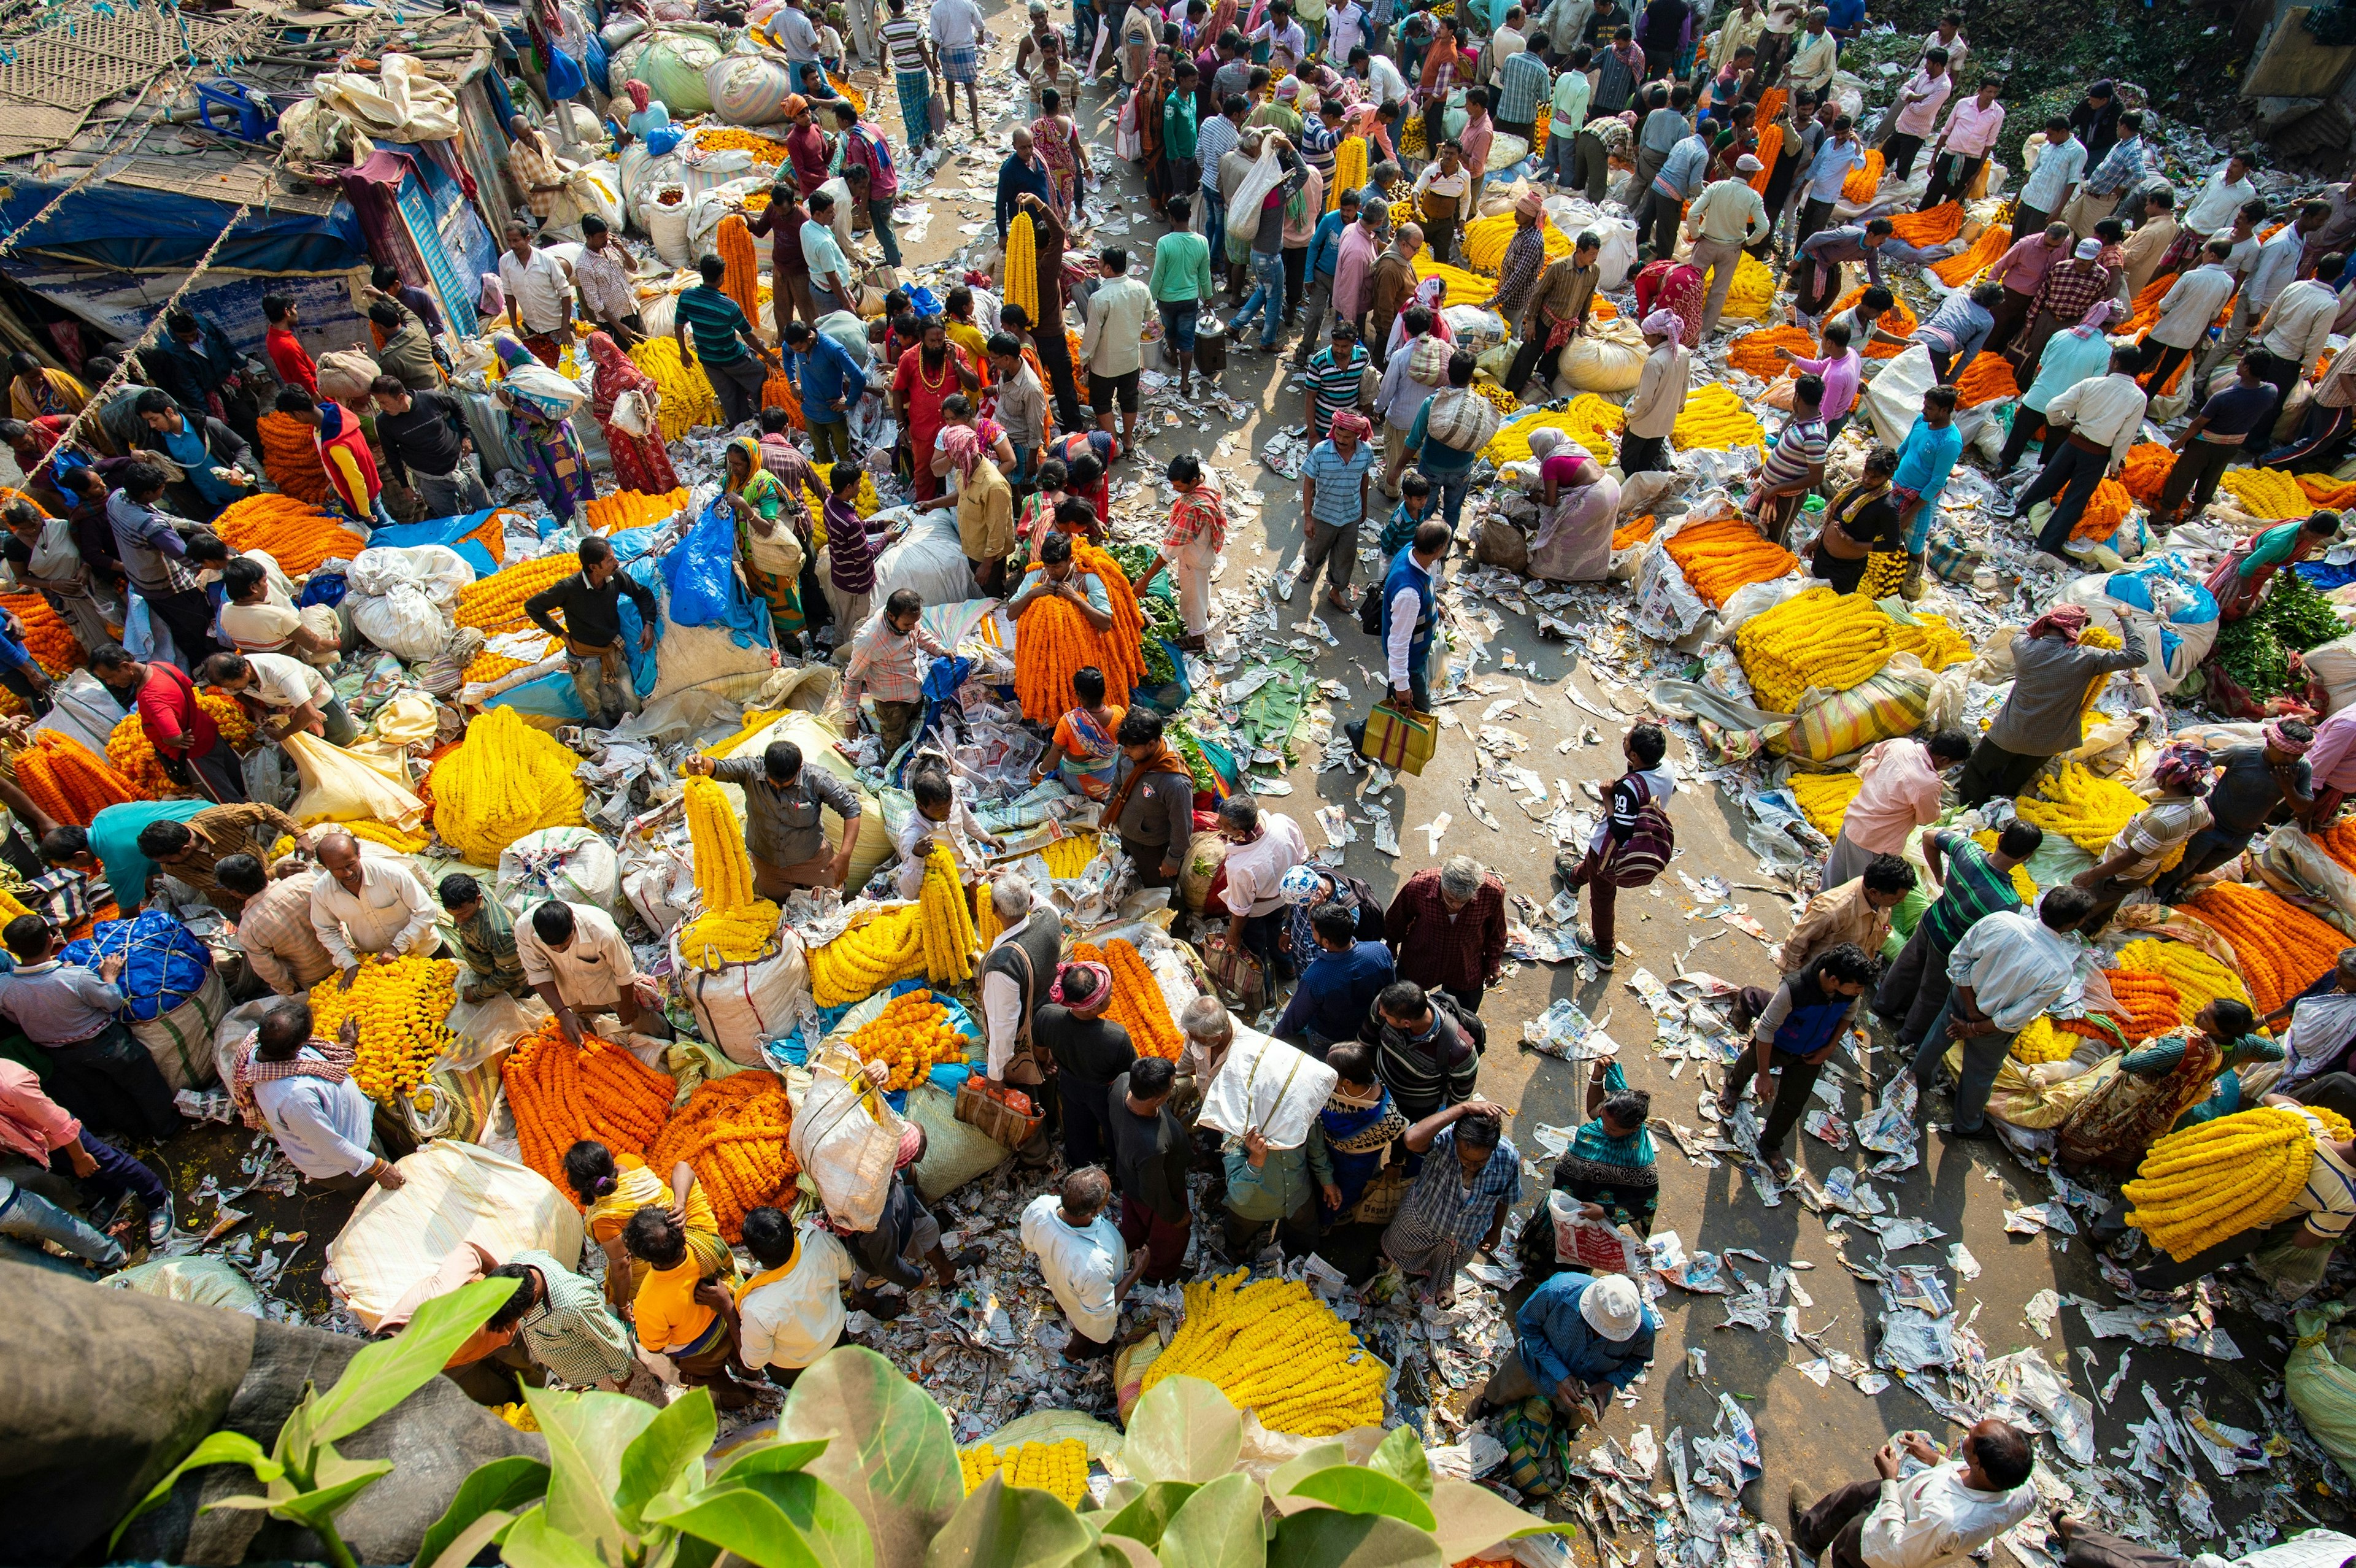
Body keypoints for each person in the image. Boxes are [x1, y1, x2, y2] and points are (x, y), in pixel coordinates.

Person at [1915, 885, 2096, 1139]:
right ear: (2073, 924)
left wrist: (1969, 1009)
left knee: (1938, 1037)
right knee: (1981, 1072)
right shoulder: (2060, 970)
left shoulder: (2000, 920)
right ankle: (1967, 1124)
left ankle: (1917, 1081)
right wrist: (1975, 1028)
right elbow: (2016, 1016)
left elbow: (1959, 961)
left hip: (1963, 997)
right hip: (1993, 1028)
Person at [0, 917, 175, 1144]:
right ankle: (167, 1129)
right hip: (106, 1044)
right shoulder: (76, 977)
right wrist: (109, 977)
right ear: (51, 940)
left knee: (107, 1096)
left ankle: (138, 1135)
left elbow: (13, 1017)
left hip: (62, 1055)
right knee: (145, 1084)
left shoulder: (4, 986)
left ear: (11, 950)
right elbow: (112, 1002)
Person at [1954, 607, 2147, 806]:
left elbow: (2022, 632)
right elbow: (2138, 655)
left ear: (2047, 623)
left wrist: (2043, 624)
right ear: (2075, 629)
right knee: (2013, 778)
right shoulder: (2087, 657)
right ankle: (1996, 807)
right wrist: (2125, 617)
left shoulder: (2024, 646)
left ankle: (1970, 808)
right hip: (2049, 741)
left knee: (1977, 769)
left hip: (2011, 732)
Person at [1720, 942, 1877, 1182]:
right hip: (1778, 1043)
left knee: (1793, 1103)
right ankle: (1732, 1087)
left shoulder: (1849, 994)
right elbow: (1765, 1031)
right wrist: (1764, 1075)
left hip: (1810, 1055)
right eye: (1857, 987)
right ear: (1834, 980)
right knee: (1750, 1063)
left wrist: (1830, 1046)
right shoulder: (1794, 989)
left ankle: (1770, 1144)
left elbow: (1849, 1014)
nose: (1860, 992)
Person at [2057, 999, 2269, 1170]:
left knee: (2107, 1122)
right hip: (2168, 1103)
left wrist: (2150, 1046)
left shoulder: (2185, 1047)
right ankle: (2106, 1165)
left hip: (2143, 1094)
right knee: (2133, 1133)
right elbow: (2275, 1053)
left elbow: (2130, 1064)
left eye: (2206, 1016)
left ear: (2222, 1031)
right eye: (2204, 1007)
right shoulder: (2238, 1045)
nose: (2198, 1012)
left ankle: (2072, 1161)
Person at [1787, 1423, 2038, 1568]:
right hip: (1909, 1495)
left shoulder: (1945, 1521)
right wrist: (1934, 1459)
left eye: (1973, 1438)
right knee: (1853, 1495)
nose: (1968, 1432)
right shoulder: (2024, 1490)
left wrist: (1889, 1480)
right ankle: (1811, 1535)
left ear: (1979, 1465)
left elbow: (1897, 1549)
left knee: (1849, 1545)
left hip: (1891, 1535)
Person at [236, 1002, 406, 1194]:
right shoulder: (295, 1099)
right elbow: (331, 1147)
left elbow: (311, 1060)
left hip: (354, 1132)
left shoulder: (264, 1046)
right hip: (345, 1164)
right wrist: (379, 1169)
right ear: (299, 1046)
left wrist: (347, 1044)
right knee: (383, 1194)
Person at [2152, 721, 2316, 902]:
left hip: (2242, 835)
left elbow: (2303, 806)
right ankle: (2156, 895)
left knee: (2201, 869)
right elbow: (2200, 766)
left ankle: (2171, 890)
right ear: (2270, 743)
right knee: (2182, 865)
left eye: (2297, 755)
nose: (2291, 760)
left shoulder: (2301, 768)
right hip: (2211, 824)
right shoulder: (2242, 753)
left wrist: (2288, 788)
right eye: (2286, 753)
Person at [1558, 723, 1676, 970]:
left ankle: (1603, 950)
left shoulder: (1628, 789)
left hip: (1612, 852)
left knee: (1602, 896)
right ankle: (1573, 879)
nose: (1623, 739)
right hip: (1640, 837)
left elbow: (1620, 830)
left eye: (1627, 741)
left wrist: (1607, 796)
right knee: (1591, 865)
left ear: (1634, 756)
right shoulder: (1666, 769)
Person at [1469, 1270, 1653, 1428]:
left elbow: (1638, 1359)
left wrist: (1606, 1385)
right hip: (1534, 1365)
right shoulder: (1557, 1291)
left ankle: (1562, 1432)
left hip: (1585, 1391)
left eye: (1612, 1333)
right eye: (1598, 1326)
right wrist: (1560, 1373)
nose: (1602, 1335)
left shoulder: (1644, 1330)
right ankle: (1488, 1403)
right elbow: (1527, 1325)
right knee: (1503, 1389)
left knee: (1566, 1423)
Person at [1381, 1097, 1518, 1304]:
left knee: (1445, 1266)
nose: (1472, 1166)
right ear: (1456, 1141)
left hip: (1463, 1237)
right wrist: (1464, 1107)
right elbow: (1411, 1139)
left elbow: (1505, 1197)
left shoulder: (1508, 1158)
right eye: (1466, 1159)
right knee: (1397, 1258)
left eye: (1481, 1161)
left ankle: (1439, 1282)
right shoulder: (1444, 1141)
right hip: (1420, 1224)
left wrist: (1496, 1230)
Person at [622, 1205, 757, 1408]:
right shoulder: (705, 1242)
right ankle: (753, 1375)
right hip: (731, 1325)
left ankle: (737, 1395)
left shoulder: (648, 1301)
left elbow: (655, 1345)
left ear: (644, 1257)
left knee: (704, 1375)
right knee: (743, 1357)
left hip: (702, 1353)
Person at [2069, 745, 2215, 932]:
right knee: (2110, 903)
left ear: (2171, 778)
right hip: (2145, 870)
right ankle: (2093, 927)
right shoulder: (2198, 808)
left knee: (2088, 905)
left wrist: (2091, 874)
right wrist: (2187, 827)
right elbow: (2210, 824)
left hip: (2119, 873)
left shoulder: (2159, 820)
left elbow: (2129, 858)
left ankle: (2075, 930)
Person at [525, 536, 658, 730]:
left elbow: (642, 594)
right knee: (594, 707)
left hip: (612, 651)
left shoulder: (616, 578)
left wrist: (648, 624)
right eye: (610, 560)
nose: (616, 562)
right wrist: (560, 634)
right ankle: (607, 740)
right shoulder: (569, 588)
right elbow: (533, 607)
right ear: (593, 567)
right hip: (584, 658)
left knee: (630, 699)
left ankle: (639, 733)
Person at [102, 466, 225, 666]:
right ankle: (213, 662)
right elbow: (186, 558)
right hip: (170, 587)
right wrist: (222, 559)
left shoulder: (117, 498)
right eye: (160, 488)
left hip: (143, 583)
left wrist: (193, 526)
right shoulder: (150, 525)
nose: (163, 491)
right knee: (200, 625)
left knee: (179, 626)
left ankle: (199, 661)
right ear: (147, 493)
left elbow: (159, 515)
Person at [90, 641, 244, 801]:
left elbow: (174, 736)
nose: (110, 683)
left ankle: (255, 822)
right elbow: (188, 685)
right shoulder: (161, 667)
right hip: (208, 733)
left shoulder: (151, 697)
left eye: (110, 677)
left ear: (125, 666)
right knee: (242, 782)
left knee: (227, 800)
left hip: (196, 753)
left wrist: (170, 741)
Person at [1020, 1166, 1143, 1359]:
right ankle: (1076, 1349)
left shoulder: (1040, 1208)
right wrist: (1137, 1271)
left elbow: (1030, 1244)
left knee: (1066, 1295)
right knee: (1087, 1325)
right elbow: (1102, 1310)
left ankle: (1063, 1306)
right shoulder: (1093, 1262)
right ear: (1095, 1210)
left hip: (1058, 1280)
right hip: (1086, 1308)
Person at [1822, 731, 1969, 886]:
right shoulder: (1928, 783)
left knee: (1832, 879)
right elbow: (1927, 818)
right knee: (1861, 891)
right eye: (1952, 764)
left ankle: (1817, 907)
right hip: (1875, 841)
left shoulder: (1900, 744)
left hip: (1854, 819)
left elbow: (1869, 758)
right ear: (1944, 760)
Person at [728, 1205, 854, 1385]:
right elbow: (847, 1273)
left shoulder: (757, 1307)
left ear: (752, 1256)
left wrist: (726, 1306)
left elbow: (754, 1362)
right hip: (836, 1339)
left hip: (795, 1370)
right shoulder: (820, 1242)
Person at [1222, 1064, 1338, 1258]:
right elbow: (1239, 1195)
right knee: (1237, 1242)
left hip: (1298, 1198)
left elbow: (1316, 1149)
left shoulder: (1303, 1115)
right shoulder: (1237, 1129)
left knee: (1307, 1242)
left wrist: (1327, 1180)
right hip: (1253, 1207)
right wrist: (1255, 1162)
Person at [477, 1253, 634, 1391]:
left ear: (534, 1295)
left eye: (519, 1317)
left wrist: (622, 1381)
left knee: (638, 1405)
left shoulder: (574, 1306)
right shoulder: (522, 1261)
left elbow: (610, 1341)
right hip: (582, 1367)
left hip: (605, 1369)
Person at [518, 900, 658, 1047]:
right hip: (570, 989)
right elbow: (537, 973)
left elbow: (625, 971)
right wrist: (563, 1013)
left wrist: (627, 1005)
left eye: (565, 944)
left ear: (573, 923)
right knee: (583, 1028)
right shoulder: (524, 930)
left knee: (645, 1024)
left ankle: (667, 1035)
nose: (560, 950)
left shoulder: (602, 931)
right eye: (553, 948)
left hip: (608, 982)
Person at [309, 831, 440, 985]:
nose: (348, 873)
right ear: (326, 867)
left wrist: (398, 947)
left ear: (358, 854)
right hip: (379, 965)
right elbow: (326, 931)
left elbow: (427, 911)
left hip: (424, 951)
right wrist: (349, 963)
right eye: (338, 869)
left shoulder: (390, 872)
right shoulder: (322, 891)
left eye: (350, 864)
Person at [489, 335, 594, 526]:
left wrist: (509, 404)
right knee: (576, 473)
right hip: (564, 431)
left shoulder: (519, 381)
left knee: (563, 483)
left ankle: (574, 520)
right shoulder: (536, 367)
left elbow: (538, 419)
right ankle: (589, 512)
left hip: (549, 442)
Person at [1383, 855, 1507, 1016]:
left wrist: (1493, 962)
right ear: (1441, 881)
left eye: (1463, 901)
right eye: (1451, 898)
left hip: (1465, 964)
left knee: (1463, 1015)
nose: (1456, 905)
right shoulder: (1419, 886)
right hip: (1421, 958)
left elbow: (1497, 930)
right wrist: (1391, 946)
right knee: (1404, 1007)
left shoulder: (1492, 892)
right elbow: (1397, 919)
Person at [129, 802, 306, 914]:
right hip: (240, 904)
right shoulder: (174, 867)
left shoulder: (219, 819)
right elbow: (220, 885)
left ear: (184, 850)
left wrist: (300, 835)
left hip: (270, 870)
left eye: (166, 860)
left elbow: (265, 812)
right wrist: (275, 873)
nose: (164, 867)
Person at [676, 253, 780, 432]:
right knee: (761, 376)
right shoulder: (729, 306)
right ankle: (769, 420)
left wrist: (683, 351)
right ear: (721, 277)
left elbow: (679, 326)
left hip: (708, 359)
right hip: (733, 358)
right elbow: (749, 337)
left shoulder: (687, 297)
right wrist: (769, 356)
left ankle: (740, 425)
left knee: (728, 395)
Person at [1109, 1056, 1192, 1281]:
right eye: (1171, 1089)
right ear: (1157, 1099)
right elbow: (1155, 1193)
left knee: (1134, 1225)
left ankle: (1131, 1250)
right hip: (1158, 1196)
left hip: (1129, 1178)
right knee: (1168, 1240)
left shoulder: (1122, 1084)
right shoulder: (1150, 1146)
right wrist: (1177, 1216)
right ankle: (1155, 1273)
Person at [841, 590, 951, 756]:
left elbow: (920, 634)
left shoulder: (908, 618)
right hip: (892, 704)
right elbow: (853, 678)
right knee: (894, 748)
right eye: (907, 625)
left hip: (916, 690)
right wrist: (850, 719)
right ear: (891, 616)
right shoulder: (870, 639)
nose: (912, 627)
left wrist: (941, 651)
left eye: (915, 622)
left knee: (918, 735)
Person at [1277, 901, 1397, 1053]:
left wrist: (1277, 1034)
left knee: (1328, 1063)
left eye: (1313, 930)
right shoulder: (1380, 951)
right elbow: (1389, 992)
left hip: (1327, 1035)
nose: (1311, 932)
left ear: (1326, 942)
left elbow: (1296, 1016)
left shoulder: (1315, 976)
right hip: (1366, 1025)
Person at [1098, 707, 1194, 897]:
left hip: (1152, 848)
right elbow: (1118, 782)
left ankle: (1174, 918)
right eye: (1124, 746)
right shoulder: (1128, 752)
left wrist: (1172, 860)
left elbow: (1182, 827)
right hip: (1128, 834)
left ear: (1151, 745)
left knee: (1159, 889)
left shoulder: (1175, 782)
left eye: (1131, 748)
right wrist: (1108, 809)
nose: (1124, 752)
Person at [1214, 794, 1309, 983]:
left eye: (1223, 824)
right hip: (1283, 899)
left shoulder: (1240, 867)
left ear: (1240, 833)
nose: (1217, 824)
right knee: (1277, 929)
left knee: (1255, 945)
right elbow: (1302, 857)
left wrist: (1233, 935)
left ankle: (1262, 985)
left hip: (1256, 911)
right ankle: (1287, 965)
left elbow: (1241, 910)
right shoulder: (1282, 822)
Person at [368, 379, 493, 520]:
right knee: (451, 523)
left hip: (459, 466)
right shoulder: (384, 422)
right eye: (379, 402)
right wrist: (405, 487)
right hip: (430, 481)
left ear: (401, 398)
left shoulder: (429, 399)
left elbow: (456, 406)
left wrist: (466, 436)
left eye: (384, 402)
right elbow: (392, 456)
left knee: (488, 510)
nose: (381, 407)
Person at [217, 853, 337, 998]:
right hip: (345, 952)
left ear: (236, 892)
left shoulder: (249, 928)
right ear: (262, 872)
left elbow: (270, 970)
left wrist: (289, 989)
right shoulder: (304, 882)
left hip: (315, 978)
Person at [1362, 978, 1482, 1121]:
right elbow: (1366, 1040)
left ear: (1406, 1023)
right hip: (1380, 1091)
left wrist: (1442, 1119)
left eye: (1386, 1016)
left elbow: (1462, 1092)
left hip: (1416, 1110)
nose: (1380, 1014)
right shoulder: (1384, 1005)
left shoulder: (1459, 1049)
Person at [1294, 411, 1377, 611]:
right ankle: (1311, 565)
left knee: (1345, 558)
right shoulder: (1321, 451)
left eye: (1347, 437)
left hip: (1350, 516)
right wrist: (1308, 517)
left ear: (1357, 435)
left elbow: (1364, 479)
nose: (1341, 440)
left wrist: (1364, 507)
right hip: (1323, 515)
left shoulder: (1365, 452)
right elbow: (1308, 484)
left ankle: (1335, 592)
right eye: (1338, 434)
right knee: (1315, 548)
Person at [1780, 855, 1917, 975]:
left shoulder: (1883, 903)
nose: (1901, 902)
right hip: (1816, 982)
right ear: (1874, 893)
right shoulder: (1833, 910)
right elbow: (1795, 944)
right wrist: (1796, 984)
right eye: (1897, 899)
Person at [579, 334, 679, 498]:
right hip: (617, 433)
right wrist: (606, 426)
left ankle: (662, 494)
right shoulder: (601, 371)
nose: (588, 352)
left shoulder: (624, 371)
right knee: (628, 466)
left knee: (649, 462)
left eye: (590, 349)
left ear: (600, 351)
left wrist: (645, 427)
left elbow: (650, 396)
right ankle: (637, 497)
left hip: (638, 430)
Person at [129, 391, 252, 523]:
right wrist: (135, 456)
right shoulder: (158, 442)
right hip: (210, 505)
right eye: (148, 421)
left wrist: (239, 469)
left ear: (169, 412)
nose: (152, 426)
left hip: (242, 494)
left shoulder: (208, 426)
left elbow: (243, 447)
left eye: (154, 419)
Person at [2206, 510, 2344, 623]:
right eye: (2315, 537)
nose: (2316, 541)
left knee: (2236, 609)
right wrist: (2245, 596)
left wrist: (2291, 573)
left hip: (2259, 570)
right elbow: (2246, 567)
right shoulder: (2280, 541)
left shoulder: (2304, 532)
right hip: (2247, 571)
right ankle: (2216, 627)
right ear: (2307, 527)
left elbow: (2290, 554)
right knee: (2229, 608)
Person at [1522, 427, 1621, 582]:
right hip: (1612, 487)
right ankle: (1587, 572)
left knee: (1561, 529)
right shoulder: (1573, 449)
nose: (1534, 454)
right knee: (1592, 535)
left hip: (1596, 497)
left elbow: (1550, 501)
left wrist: (1537, 496)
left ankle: (1543, 570)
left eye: (1535, 450)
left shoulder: (1551, 462)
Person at [1745, 375, 1827, 547]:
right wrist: (1765, 468)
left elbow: (1817, 478)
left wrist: (1777, 488)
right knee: (1760, 530)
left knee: (1775, 538)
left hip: (1785, 498)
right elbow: (1787, 454)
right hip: (1772, 490)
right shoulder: (1800, 419)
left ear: (1797, 397)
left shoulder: (1814, 435)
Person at [1615, 307, 1690, 475]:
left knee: (1628, 463)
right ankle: (1641, 485)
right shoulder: (1683, 353)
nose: (1644, 339)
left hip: (1642, 424)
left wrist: (1629, 414)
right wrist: (1678, 407)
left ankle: (1627, 490)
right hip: (1664, 422)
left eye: (1647, 335)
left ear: (1658, 336)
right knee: (1645, 463)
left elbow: (1644, 399)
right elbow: (1685, 384)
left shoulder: (1655, 362)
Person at [436, 873, 529, 1004]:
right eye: (453, 915)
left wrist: (476, 994)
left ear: (479, 899)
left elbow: (509, 972)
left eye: (463, 913)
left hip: (512, 986)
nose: (458, 920)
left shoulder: (498, 933)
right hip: (487, 971)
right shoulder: (473, 887)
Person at [258, 296, 317, 397]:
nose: (297, 313)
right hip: (317, 398)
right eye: (295, 308)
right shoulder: (288, 346)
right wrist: (327, 406)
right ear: (287, 312)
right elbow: (306, 383)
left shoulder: (271, 337)